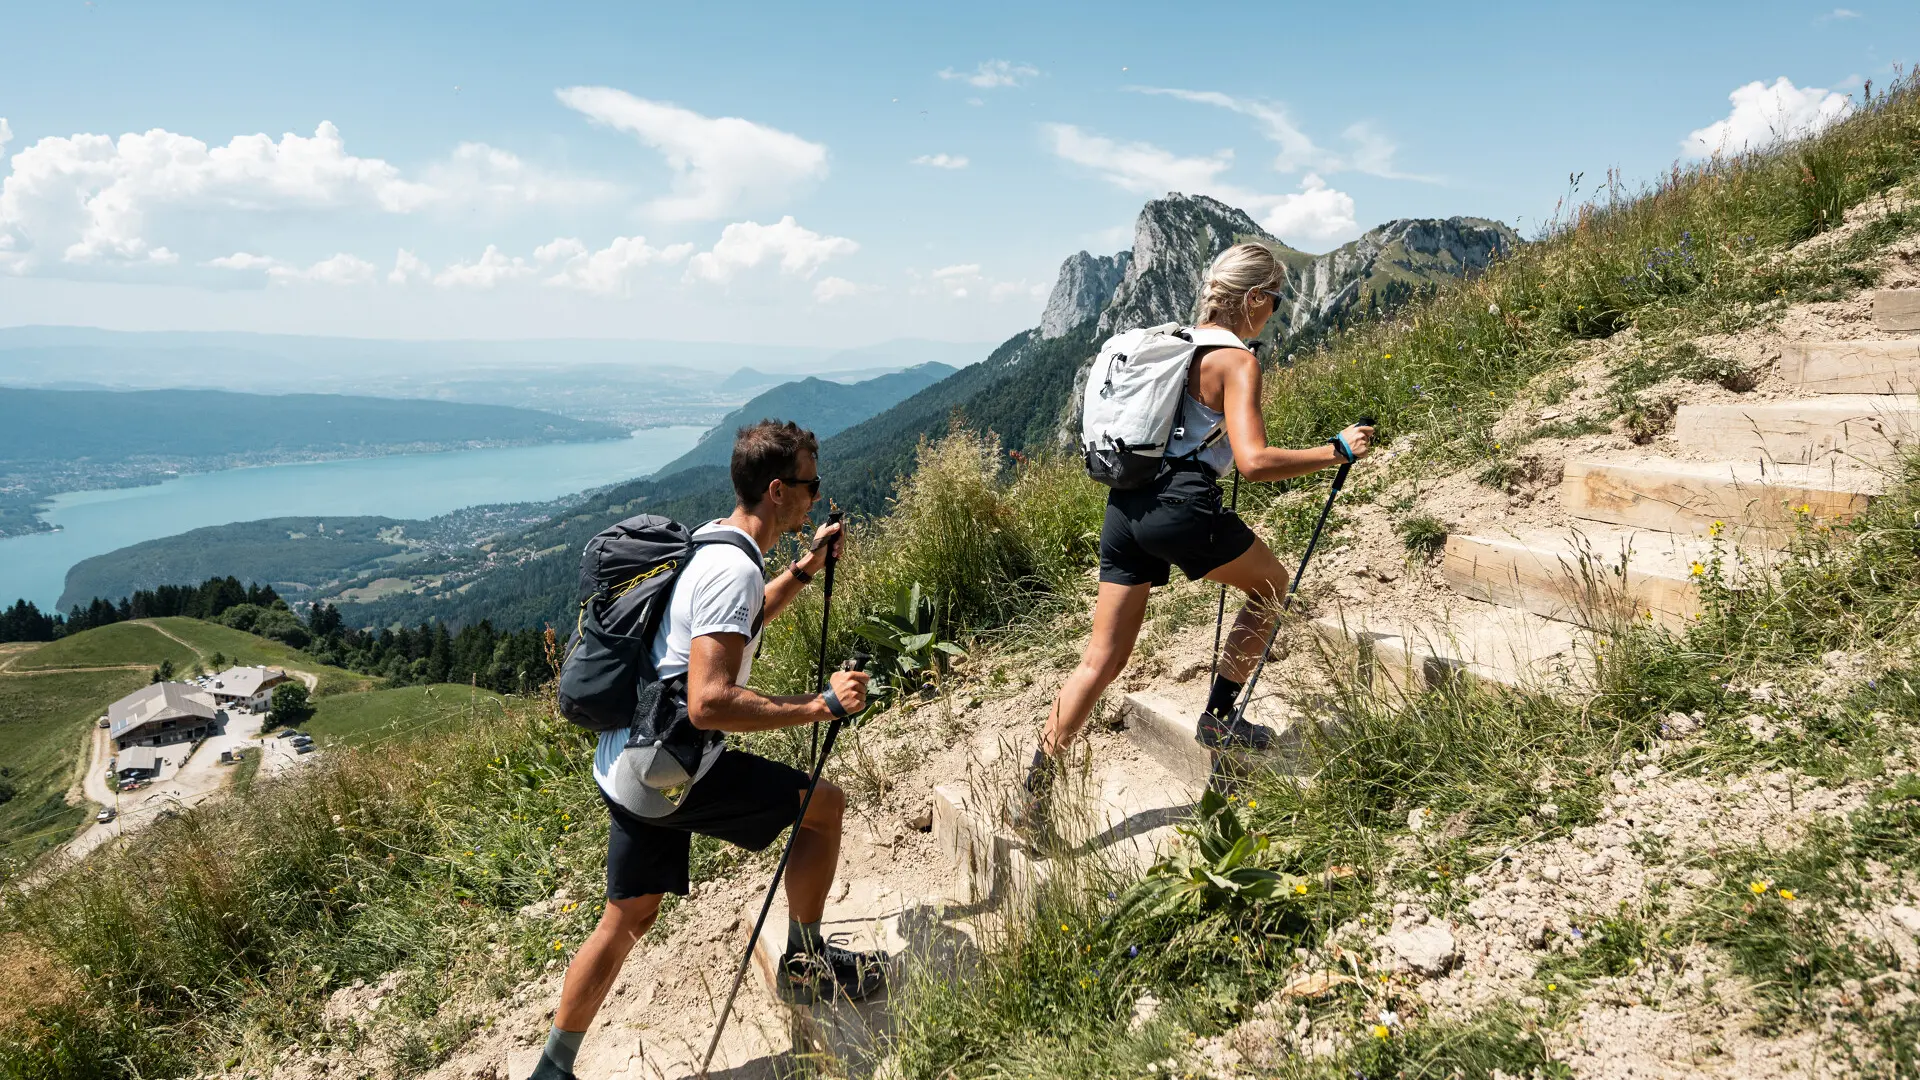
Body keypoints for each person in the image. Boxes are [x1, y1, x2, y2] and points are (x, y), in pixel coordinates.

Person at [529, 420, 881, 1080]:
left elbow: (735, 626)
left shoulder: (714, 545)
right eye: (810, 484)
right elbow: (709, 702)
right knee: (824, 808)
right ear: (777, 490)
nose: (816, 495)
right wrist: (820, 704)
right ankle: (805, 964)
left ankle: (552, 1069)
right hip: (675, 770)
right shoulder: (731, 571)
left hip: (630, 760)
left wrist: (804, 569)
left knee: (626, 917)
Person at [1015, 243, 1375, 842]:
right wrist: (1334, 451)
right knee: (1271, 587)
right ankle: (1221, 717)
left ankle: (1035, 794)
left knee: (1100, 660)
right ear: (1254, 298)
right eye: (1275, 300)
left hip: (1126, 507)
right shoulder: (1236, 362)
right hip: (1181, 506)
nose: (1276, 312)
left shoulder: (1175, 345)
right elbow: (1254, 462)